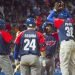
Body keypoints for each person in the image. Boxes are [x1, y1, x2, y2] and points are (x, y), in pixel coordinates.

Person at [47, 4, 75, 75]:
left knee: (64, 65)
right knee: (72, 65)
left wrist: (55, 10)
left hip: (65, 44)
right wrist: (64, 9)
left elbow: (48, 18)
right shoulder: (71, 21)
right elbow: (69, 16)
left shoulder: (60, 21)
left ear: (59, 17)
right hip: (73, 43)